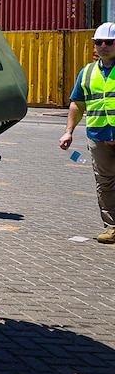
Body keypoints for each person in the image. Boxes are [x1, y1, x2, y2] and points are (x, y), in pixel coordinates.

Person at [60, 22, 115, 244]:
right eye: (99, 42)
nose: (103, 46)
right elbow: (77, 104)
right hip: (98, 137)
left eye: (109, 42)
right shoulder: (87, 72)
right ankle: (112, 227)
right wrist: (68, 132)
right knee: (105, 183)